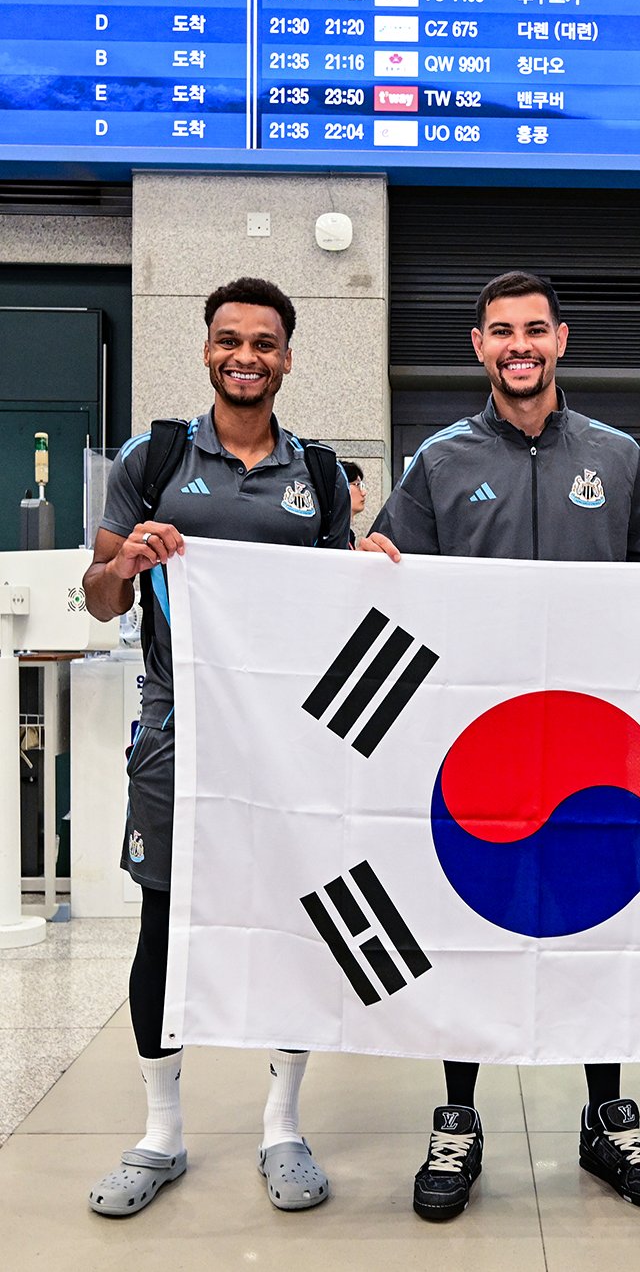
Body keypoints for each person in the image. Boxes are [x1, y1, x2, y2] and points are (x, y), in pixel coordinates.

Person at [362, 269, 640, 1221]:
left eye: (534, 330)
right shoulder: (437, 462)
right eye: (501, 331)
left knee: (598, 920)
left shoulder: (617, 456)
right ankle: (458, 1121)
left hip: (593, 750)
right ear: (478, 346)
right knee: (470, 919)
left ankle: (607, 1119)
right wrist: (372, 564)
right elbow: (392, 586)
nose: (518, 346)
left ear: (561, 340)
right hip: (477, 746)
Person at [83, 277, 352, 1217]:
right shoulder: (152, 457)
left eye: (264, 343)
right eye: (230, 340)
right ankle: (161, 1134)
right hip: (177, 730)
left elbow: (339, 608)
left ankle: (283, 1126)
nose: (246, 356)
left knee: (292, 920)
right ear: (206, 350)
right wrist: (126, 560)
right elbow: (100, 596)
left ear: (287, 359)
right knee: (164, 922)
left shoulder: (320, 475)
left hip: (287, 738)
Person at [342, 460, 366, 545]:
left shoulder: (348, 535)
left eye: (362, 485)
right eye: (357, 485)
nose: (364, 492)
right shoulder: (333, 536)